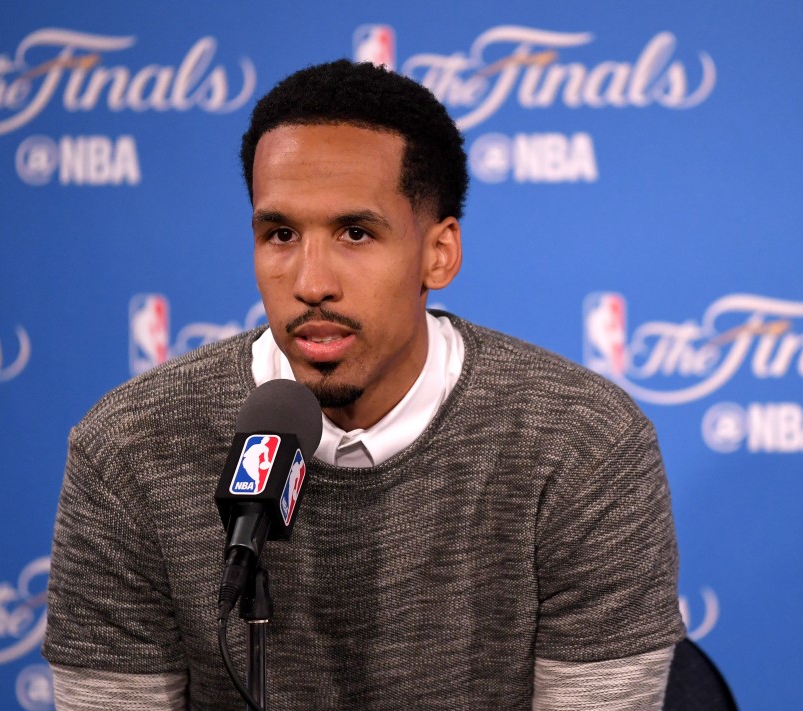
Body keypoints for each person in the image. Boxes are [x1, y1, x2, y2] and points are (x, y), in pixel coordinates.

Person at [43, 59, 684, 710]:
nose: (311, 280)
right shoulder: (131, 448)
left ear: (439, 252)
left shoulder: (582, 443)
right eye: (281, 234)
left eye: (355, 232)